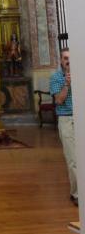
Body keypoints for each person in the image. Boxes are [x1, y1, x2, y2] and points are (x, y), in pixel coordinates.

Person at [50, 49, 78, 205]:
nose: (68, 61)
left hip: (81, 118)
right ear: (61, 60)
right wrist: (67, 83)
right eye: (65, 58)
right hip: (66, 119)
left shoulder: (81, 74)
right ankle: (77, 195)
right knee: (73, 159)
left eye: (70, 58)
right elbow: (59, 101)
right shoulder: (55, 78)